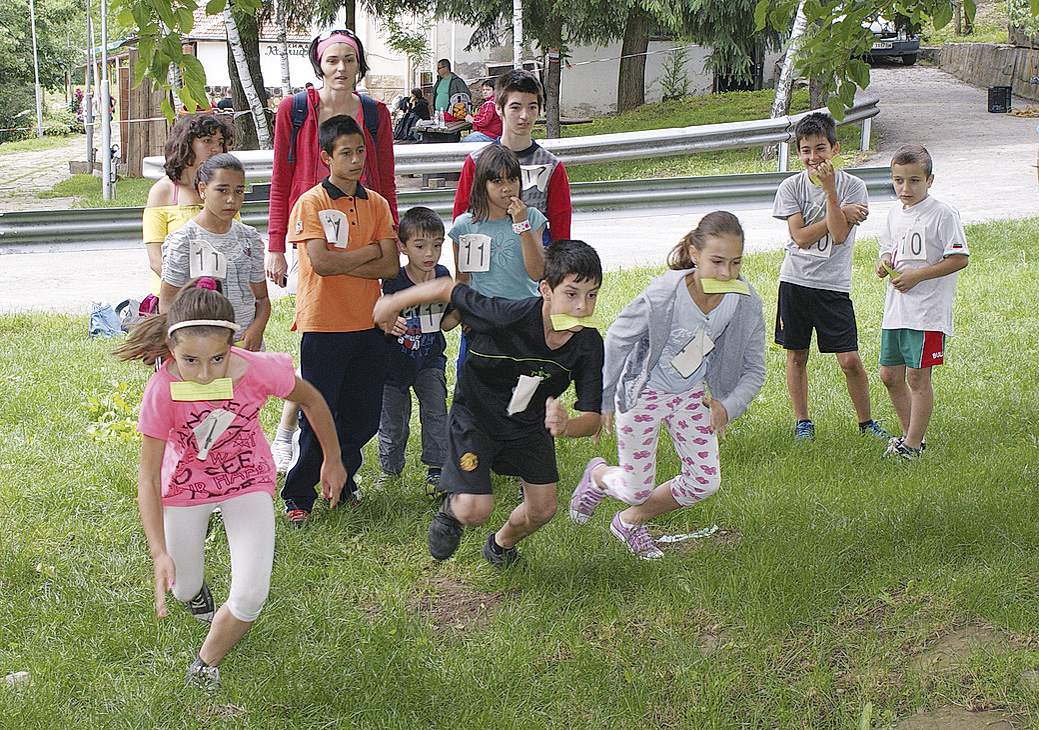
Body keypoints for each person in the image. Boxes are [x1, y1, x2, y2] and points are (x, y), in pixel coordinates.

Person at [115, 278, 345, 689]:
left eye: (217, 359)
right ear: (171, 349)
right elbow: (147, 478)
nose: (204, 374)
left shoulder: (258, 370)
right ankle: (196, 591)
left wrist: (333, 458)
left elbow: (311, 399)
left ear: (233, 342)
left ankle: (205, 664)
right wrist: (158, 552)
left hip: (247, 481)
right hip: (184, 490)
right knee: (183, 588)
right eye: (190, 361)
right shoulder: (162, 390)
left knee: (251, 594)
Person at [373, 240, 605, 570]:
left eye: (591, 295)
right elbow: (445, 288)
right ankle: (453, 511)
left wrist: (566, 426)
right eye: (572, 293)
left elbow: (593, 418)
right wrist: (391, 302)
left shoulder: (588, 345)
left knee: (543, 510)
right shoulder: (505, 315)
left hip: (527, 426)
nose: (582, 306)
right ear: (546, 290)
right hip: (476, 418)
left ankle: (500, 545)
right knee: (475, 510)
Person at [568, 212, 766, 559]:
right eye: (716, 261)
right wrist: (604, 401)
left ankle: (628, 523)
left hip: (689, 395)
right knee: (635, 488)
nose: (726, 273)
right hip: (642, 393)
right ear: (694, 254)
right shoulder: (664, 295)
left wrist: (726, 405)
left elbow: (754, 368)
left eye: (735, 263)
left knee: (705, 481)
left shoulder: (743, 300)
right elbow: (616, 340)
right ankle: (598, 476)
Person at [267, 28, 399, 472]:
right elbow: (281, 179)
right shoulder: (296, 109)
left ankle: (328, 451)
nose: (341, 68)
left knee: (349, 336)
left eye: (349, 59)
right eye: (332, 60)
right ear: (319, 64)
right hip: (313, 234)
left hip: (367, 226)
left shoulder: (376, 113)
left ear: (360, 63)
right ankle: (293, 437)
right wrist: (276, 246)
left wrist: (390, 240)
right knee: (322, 332)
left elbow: (386, 179)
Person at [279, 114, 398, 526]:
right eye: (345, 152)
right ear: (326, 157)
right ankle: (299, 493)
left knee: (363, 416)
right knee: (319, 414)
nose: (356, 159)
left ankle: (341, 479)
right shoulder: (311, 202)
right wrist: (368, 253)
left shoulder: (377, 203)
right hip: (324, 325)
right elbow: (323, 263)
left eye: (360, 151)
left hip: (369, 325)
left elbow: (391, 265)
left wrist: (361, 258)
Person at [772, 112, 886, 440]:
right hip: (795, 281)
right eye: (806, 150)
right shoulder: (790, 187)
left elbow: (838, 236)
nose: (813, 157)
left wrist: (831, 192)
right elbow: (801, 238)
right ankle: (802, 422)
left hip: (833, 286)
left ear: (835, 148)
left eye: (820, 149)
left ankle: (866, 423)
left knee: (849, 359)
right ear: (798, 153)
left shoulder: (854, 187)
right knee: (796, 355)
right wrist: (840, 213)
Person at [875, 145, 969, 460]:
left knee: (917, 377)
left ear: (930, 180)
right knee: (889, 376)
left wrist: (918, 276)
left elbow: (958, 259)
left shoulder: (943, 213)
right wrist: (884, 260)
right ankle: (910, 436)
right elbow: (887, 246)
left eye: (914, 180)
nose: (906, 188)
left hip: (927, 313)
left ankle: (912, 447)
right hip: (897, 310)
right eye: (898, 180)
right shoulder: (892, 213)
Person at [376, 207, 460, 496]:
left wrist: (464, 308)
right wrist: (390, 324)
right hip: (392, 364)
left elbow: (447, 324)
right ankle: (389, 470)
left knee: (436, 414)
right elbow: (381, 318)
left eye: (437, 245)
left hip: (430, 360)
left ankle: (437, 470)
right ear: (402, 246)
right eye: (420, 246)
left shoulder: (443, 276)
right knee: (393, 422)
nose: (430, 253)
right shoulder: (394, 280)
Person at [159, 153, 269, 351]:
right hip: (201, 349)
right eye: (222, 190)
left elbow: (262, 299)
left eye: (238, 191)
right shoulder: (183, 240)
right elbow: (167, 305)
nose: (231, 200)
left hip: (246, 346)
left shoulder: (250, 238)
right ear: (203, 189)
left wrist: (256, 329)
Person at [453, 69, 571, 248]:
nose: (524, 116)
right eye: (516, 107)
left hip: (536, 263)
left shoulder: (551, 165)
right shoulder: (477, 161)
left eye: (532, 107)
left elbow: (561, 225)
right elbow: (462, 216)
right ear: (499, 108)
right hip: (490, 261)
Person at [144, 113, 233, 298]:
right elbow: (155, 260)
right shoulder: (162, 191)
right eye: (207, 141)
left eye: (220, 142)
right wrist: (192, 291)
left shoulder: (224, 190)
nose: (216, 149)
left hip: (219, 297)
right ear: (186, 144)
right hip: (173, 298)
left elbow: (233, 244)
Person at [449, 144, 546, 299]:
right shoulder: (464, 225)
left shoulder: (532, 217)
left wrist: (522, 225)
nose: (507, 188)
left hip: (525, 309)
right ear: (483, 184)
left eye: (512, 179)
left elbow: (537, 273)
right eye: (497, 181)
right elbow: (462, 280)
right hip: (483, 312)